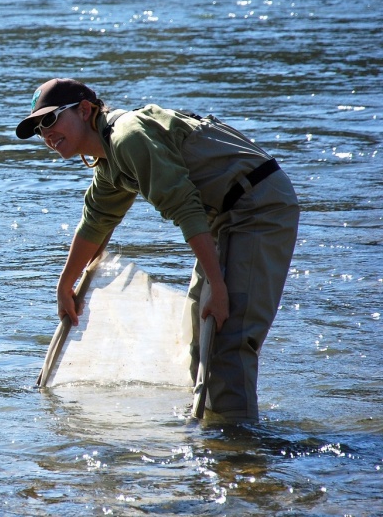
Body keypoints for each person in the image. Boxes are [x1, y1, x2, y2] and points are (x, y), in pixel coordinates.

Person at [16, 78, 299, 422]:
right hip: (223, 219)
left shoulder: (128, 137)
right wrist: (65, 285)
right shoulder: (108, 159)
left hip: (258, 206)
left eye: (50, 120)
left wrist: (218, 287)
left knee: (228, 341)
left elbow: (186, 209)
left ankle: (239, 454)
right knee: (199, 341)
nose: (45, 133)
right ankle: (219, 442)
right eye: (37, 129)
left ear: (85, 110)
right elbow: (96, 223)